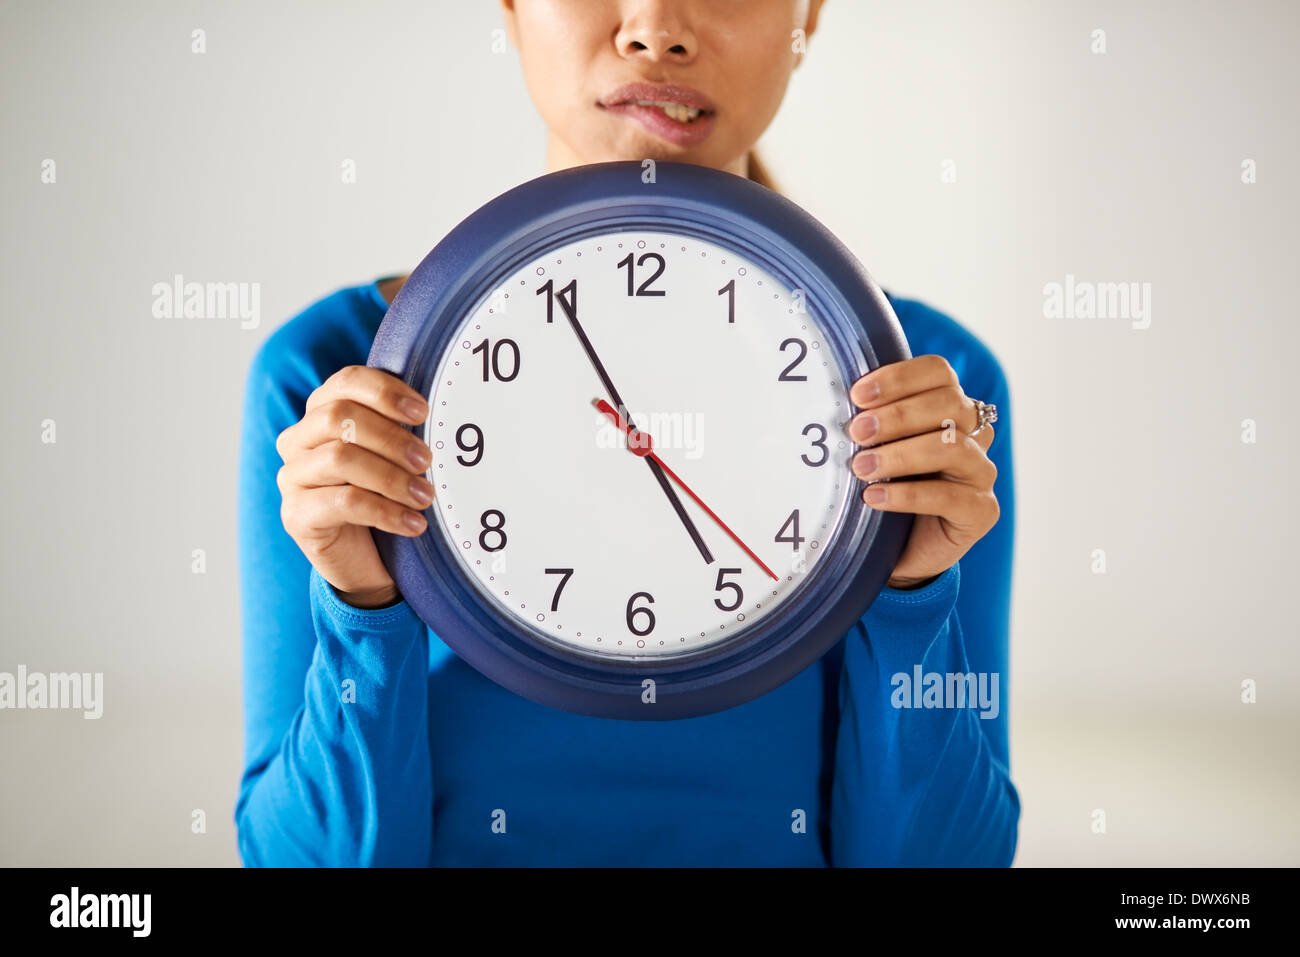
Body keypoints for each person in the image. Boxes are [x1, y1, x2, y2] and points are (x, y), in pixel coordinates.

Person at [235, 0, 1018, 866]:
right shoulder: (335, 383)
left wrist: (912, 599)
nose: (655, 26)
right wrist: (360, 607)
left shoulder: (933, 394)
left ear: (810, 16)